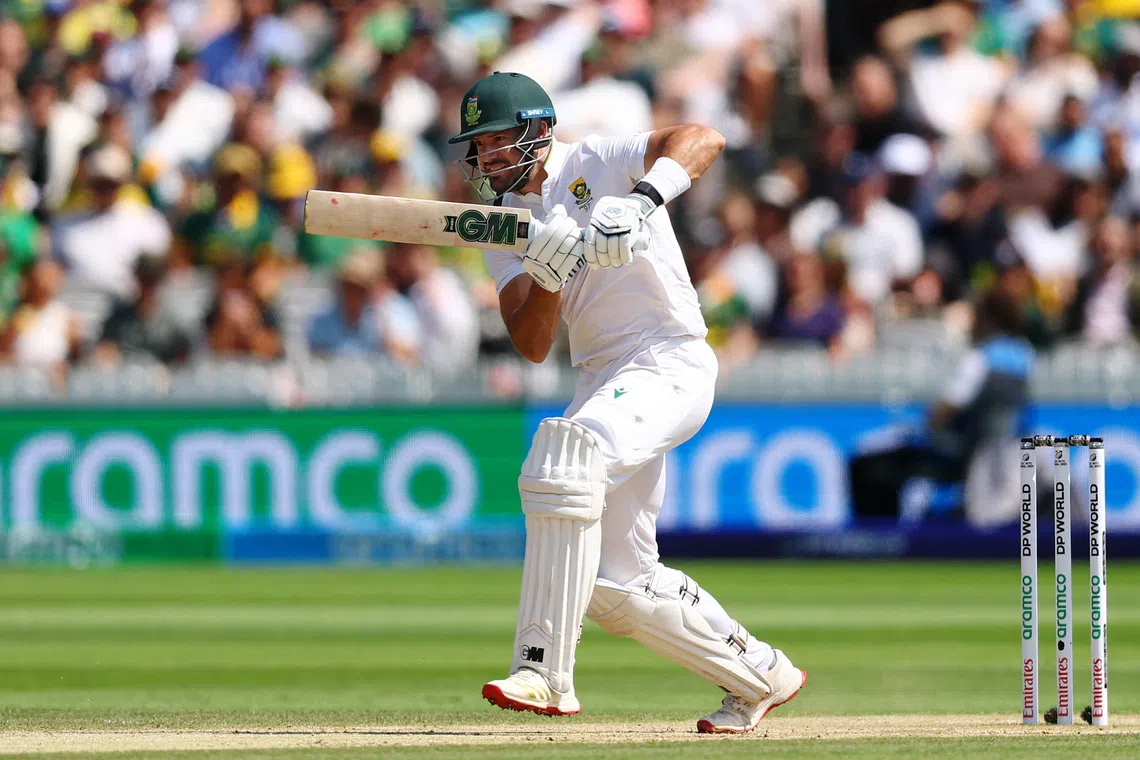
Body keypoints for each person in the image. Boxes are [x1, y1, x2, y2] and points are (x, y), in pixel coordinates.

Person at [449, 71, 805, 734]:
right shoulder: (498, 225)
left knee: (565, 459)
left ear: (538, 131)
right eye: (480, 145)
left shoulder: (595, 161)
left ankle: (543, 672)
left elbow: (704, 136)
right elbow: (530, 341)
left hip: (668, 356)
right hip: (602, 376)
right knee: (619, 588)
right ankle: (759, 673)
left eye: (499, 140)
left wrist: (642, 201)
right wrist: (547, 276)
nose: (488, 157)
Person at [848, 285, 1035, 526]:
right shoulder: (1025, 356)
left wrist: (922, 425)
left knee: (868, 467)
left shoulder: (979, 359)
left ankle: (882, 543)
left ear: (986, 317)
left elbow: (943, 411)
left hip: (961, 453)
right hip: (1010, 453)